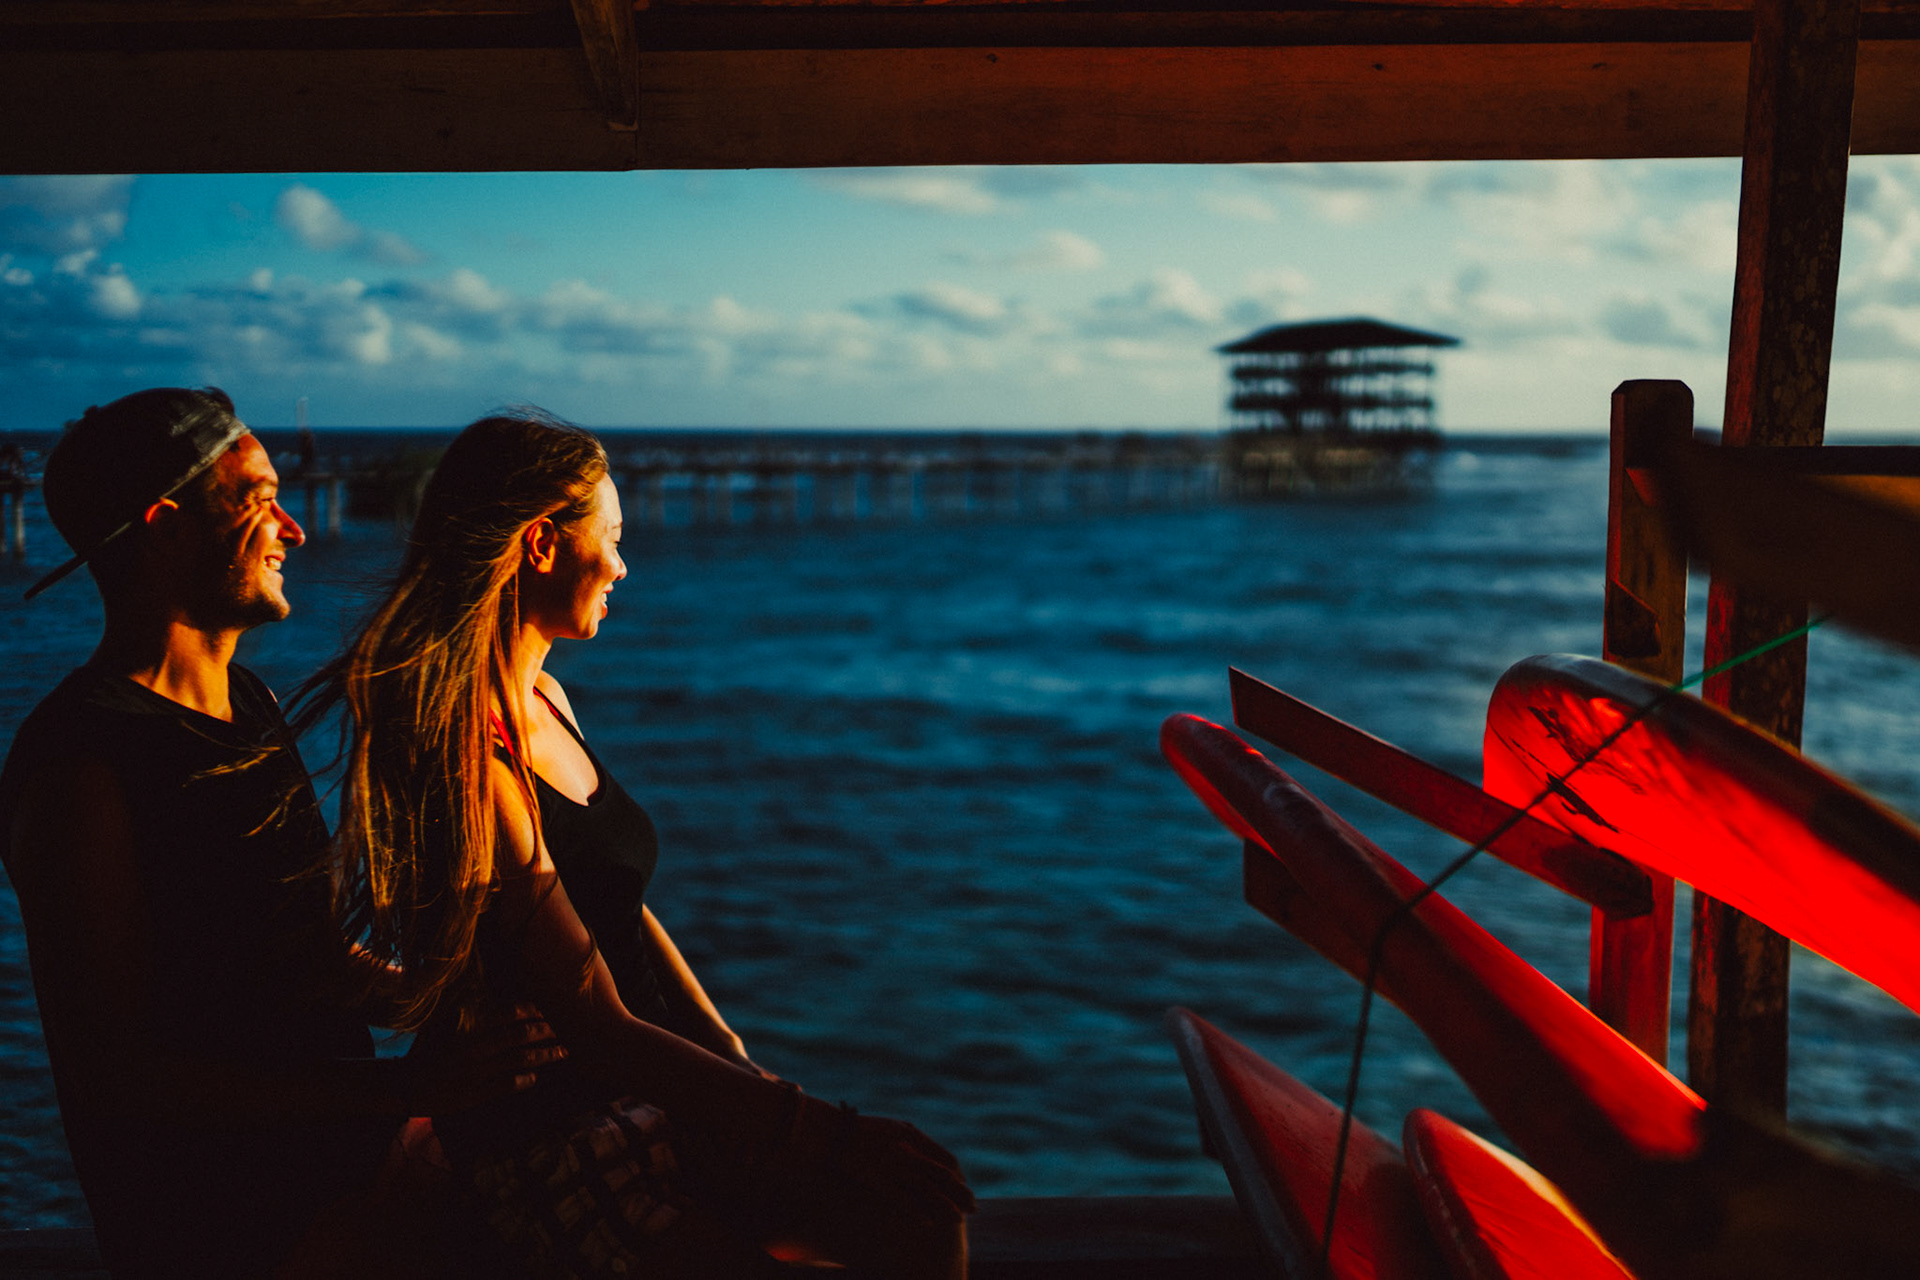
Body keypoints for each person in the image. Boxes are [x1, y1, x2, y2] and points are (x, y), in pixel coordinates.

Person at [299, 411, 973, 1279]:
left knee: (922, 1216)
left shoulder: (547, 700)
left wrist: (737, 1063)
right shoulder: (470, 753)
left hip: (651, 1092)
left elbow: (620, 906)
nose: (622, 566)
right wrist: (822, 1129)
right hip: (554, 1132)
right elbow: (598, 1026)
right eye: (611, 539)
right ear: (542, 544)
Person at [0, 388, 561, 1279]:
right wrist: (402, 1088)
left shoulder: (248, 703)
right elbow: (117, 1075)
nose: (294, 530)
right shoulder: (84, 766)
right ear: (166, 527)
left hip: (348, 1162)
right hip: (241, 1229)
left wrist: (442, 995)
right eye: (260, 500)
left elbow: (304, 955)